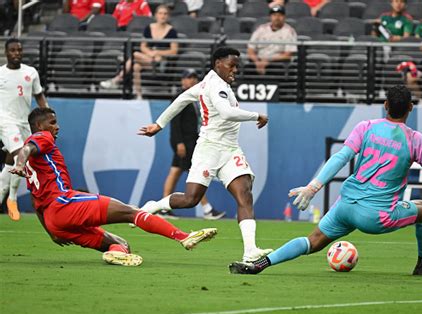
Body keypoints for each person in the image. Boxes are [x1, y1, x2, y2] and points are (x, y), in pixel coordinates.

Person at [229, 85, 422, 276]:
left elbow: (341, 157)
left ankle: (260, 263)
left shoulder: (366, 126)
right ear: (411, 107)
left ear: (385, 105)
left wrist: (314, 186)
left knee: (312, 241)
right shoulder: (414, 139)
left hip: (345, 205)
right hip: (376, 216)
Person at [9, 107, 217, 266]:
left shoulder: (33, 164)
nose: (57, 127)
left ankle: (116, 254)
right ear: (39, 126)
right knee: (130, 212)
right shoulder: (41, 138)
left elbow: (37, 202)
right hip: (64, 204)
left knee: (120, 244)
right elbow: (25, 149)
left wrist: (51, 232)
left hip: (54, 221)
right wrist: (19, 163)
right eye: (52, 123)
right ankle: (183, 237)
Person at [138, 47, 273, 263]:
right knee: (191, 199)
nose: (235, 70)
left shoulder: (210, 84)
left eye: (237, 66)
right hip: (209, 149)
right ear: (218, 63)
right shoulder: (214, 86)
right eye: (231, 65)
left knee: (244, 193)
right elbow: (227, 113)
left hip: (229, 150)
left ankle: (250, 250)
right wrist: (258, 115)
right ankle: (154, 206)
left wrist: (159, 124)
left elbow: (181, 99)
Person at [154, 69, 226, 220]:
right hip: (184, 143)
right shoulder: (180, 97)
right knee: (196, 175)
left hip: (190, 141)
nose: (191, 80)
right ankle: (207, 209)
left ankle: (162, 208)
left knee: (175, 172)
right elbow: (175, 122)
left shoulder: (196, 96)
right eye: (188, 78)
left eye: (194, 78)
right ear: (182, 80)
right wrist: (179, 143)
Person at [0, 38, 49, 221]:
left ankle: (3, 197)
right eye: (12, 50)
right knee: (20, 153)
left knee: (11, 162)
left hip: (23, 122)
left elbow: (39, 96)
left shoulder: (31, 72)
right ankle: (12, 199)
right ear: (6, 53)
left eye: (19, 50)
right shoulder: (1, 73)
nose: (16, 53)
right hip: (4, 121)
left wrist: (48, 116)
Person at [101, 4, 178, 99]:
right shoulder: (149, 28)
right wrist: (150, 53)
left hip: (160, 62)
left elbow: (174, 51)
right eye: (160, 13)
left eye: (165, 14)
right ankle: (139, 95)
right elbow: (143, 46)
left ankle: (116, 80)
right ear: (156, 15)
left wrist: (158, 53)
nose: (163, 16)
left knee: (134, 54)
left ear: (168, 16)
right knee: (136, 66)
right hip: (147, 59)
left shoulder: (172, 31)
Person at [247, 5, 297, 75]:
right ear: (270, 17)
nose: (277, 18)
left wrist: (268, 61)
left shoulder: (289, 31)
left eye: (280, 15)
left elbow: (287, 55)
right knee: (245, 68)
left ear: (284, 17)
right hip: (258, 61)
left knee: (276, 70)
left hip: (277, 63)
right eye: (274, 15)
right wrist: (257, 62)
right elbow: (250, 50)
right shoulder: (261, 29)